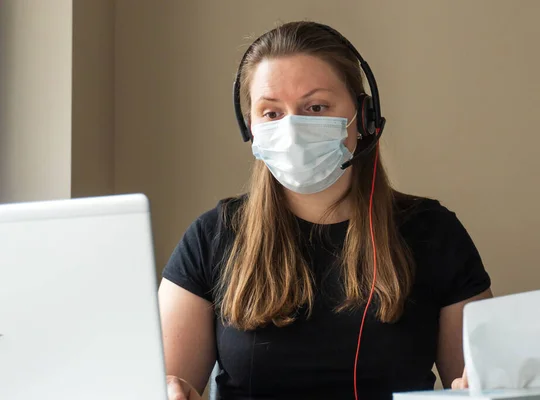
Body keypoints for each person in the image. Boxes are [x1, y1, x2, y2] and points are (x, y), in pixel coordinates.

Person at [158, 21, 492, 400]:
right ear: (250, 127)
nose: (293, 129)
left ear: (363, 119)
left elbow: (474, 383)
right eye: (271, 113)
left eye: (315, 107)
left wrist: (485, 388)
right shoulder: (211, 237)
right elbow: (166, 383)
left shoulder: (433, 233)